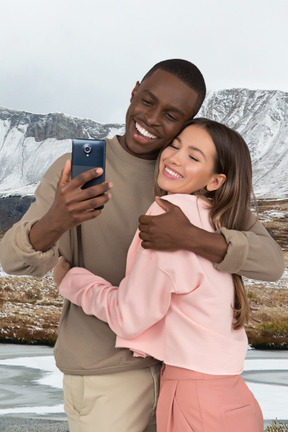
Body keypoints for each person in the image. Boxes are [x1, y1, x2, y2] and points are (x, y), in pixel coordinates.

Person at [0, 59, 283, 432]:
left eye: (171, 115)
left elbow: (270, 263)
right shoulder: (73, 171)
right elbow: (14, 261)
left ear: (188, 121)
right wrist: (58, 219)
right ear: (134, 92)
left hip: (180, 378)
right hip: (106, 375)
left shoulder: (188, 181)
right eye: (147, 101)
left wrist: (192, 238)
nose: (151, 119)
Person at [54, 118, 264, 432]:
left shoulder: (168, 214)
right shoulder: (219, 219)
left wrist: (72, 280)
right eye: (175, 145)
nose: (175, 157)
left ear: (216, 181)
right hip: (234, 395)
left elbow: (129, 316)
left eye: (194, 157)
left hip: (194, 397)